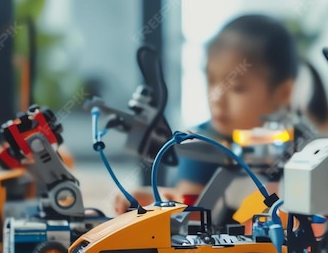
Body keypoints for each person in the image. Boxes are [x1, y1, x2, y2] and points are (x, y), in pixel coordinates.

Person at [112, 14, 299, 212]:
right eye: (211, 81)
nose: (216, 97)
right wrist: (154, 199)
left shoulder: (298, 146)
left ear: (283, 93)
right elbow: (189, 209)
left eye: (237, 88)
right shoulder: (202, 144)